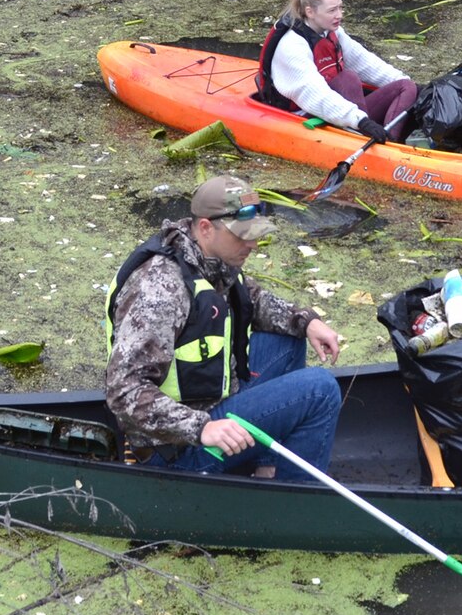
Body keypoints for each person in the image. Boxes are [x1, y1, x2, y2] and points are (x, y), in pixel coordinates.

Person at [105, 175, 343, 480]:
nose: (253, 244)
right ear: (205, 227)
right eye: (242, 236)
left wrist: (306, 321)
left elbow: (250, 300)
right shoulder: (160, 290)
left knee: (290, 340)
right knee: (321, 390)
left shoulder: (210, 257)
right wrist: (202, 427)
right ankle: (293, 506)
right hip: (178, 446)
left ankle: (267, 468)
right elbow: (124, 391)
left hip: (212, 404)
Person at [256, 0, 418, 142]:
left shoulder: (332, 32)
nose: (339, 15)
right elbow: (315, 94)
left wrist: (415, 86)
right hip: (307, 112)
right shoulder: (292, 45)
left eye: (341, 8)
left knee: (406, 86)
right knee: (348, 79)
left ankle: (391, 143)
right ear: (310, 11)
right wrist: (360, 121)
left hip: (341, 110)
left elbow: (365, 62)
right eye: (332, 10)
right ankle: (373, 143)